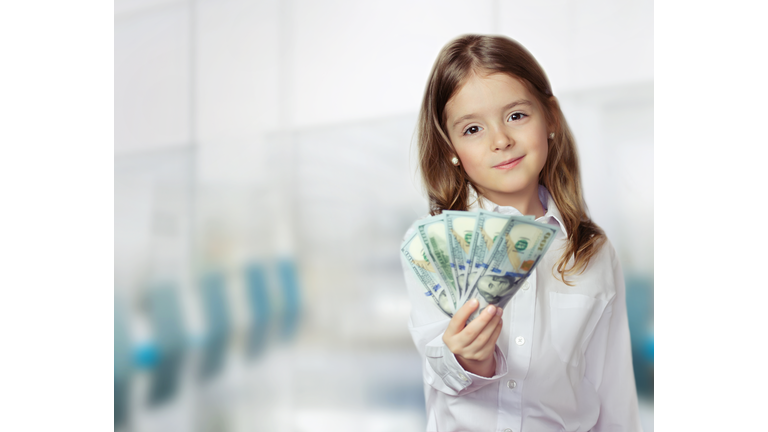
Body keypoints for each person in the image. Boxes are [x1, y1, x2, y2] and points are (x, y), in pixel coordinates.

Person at [400, 34, 641, 431]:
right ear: (450, 149)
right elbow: (436, 369)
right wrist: (466, 360)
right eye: (473, 129)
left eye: (516, 116)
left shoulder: (594, 252)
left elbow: (612, 391)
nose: (501, 140)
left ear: (551, 118)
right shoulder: (435, 247)